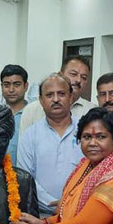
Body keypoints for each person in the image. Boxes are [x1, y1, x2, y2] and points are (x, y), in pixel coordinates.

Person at [17, 74, 84, 216]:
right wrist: (53, 204)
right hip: (41, 215)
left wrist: (72, 203)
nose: (55, 99)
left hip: (81, 212)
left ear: (71, 97)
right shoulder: (30, 136)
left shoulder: (86, 131)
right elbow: (26, 178)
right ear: (41, 100)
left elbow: (94, 172)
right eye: (49, 95)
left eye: (61, 94)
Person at [19, 55, 98, 134]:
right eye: (73, 74)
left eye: (84, 77)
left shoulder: (91, 111)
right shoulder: (32, 110)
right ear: (60, 75)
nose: (78, 80)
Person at [0, 64, 29, 165]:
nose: (11, 90)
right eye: (6, 85)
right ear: (1, 86)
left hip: (26, 174)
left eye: (17, 85)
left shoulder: (32, 113)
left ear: (26, 86)